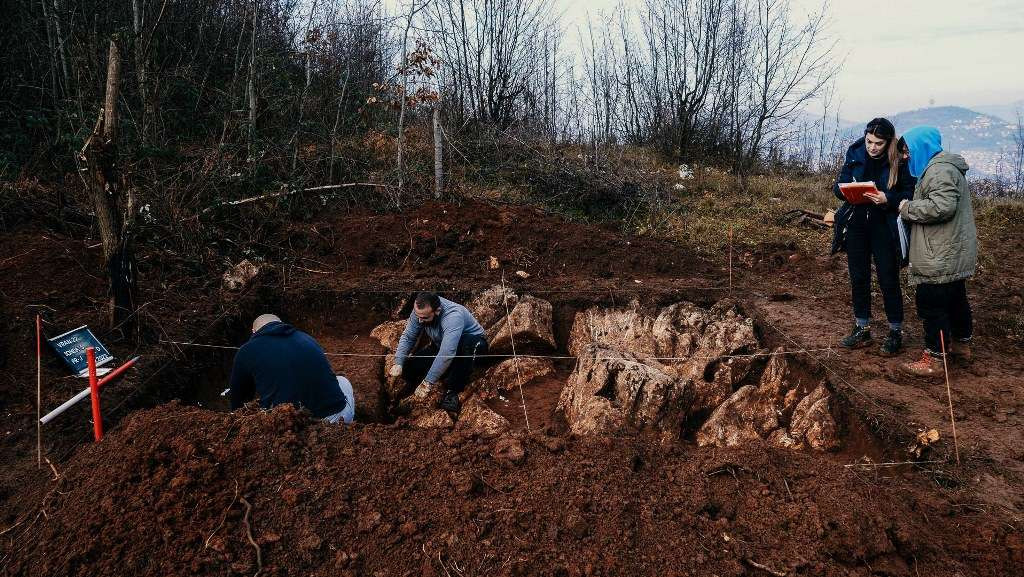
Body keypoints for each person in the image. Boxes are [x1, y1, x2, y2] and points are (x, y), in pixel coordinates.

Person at [896, 126, 977, 378]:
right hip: (951, 250)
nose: (906, 156)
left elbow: (942, 207)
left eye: (908, 150)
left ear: (923, 147)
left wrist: (908, 208)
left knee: (932, 304)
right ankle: (962, 346)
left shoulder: (938, 170)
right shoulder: (945, 167)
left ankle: (934, 358)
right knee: (955, 299)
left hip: (938, 253)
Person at [833, 118, 916, 355]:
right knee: (858, 276)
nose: (872, 147)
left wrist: (887, 199)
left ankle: (895, 331)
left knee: (887, 278)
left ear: (888, 142)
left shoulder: (900, 159)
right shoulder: (855, 151)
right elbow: (838, 184)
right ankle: (862, 328)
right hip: (857, 222)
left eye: (878, 143)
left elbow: (910, 191)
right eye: (870, 141)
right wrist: (846, 191)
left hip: (885, 224)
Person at [229, 314, 355, 423]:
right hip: (336, 419)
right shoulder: (306, 338)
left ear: (253, 331)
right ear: (281, 324)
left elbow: (238, 398)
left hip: (288, 426)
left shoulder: (246, 351)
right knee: (343, 381)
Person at [389, 292, 488, 413]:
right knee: (409, 367)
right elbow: (409, 336)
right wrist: (398, 362)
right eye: (417, 316)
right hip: (441, 344)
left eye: (424, 318)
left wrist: (428, 382)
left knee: (465, 349)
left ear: (437, 311)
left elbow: (447, 353)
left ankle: (453, 392)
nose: (419, 321)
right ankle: (414, 384)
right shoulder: (421, 311)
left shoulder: (453, 316)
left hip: (473, 345)